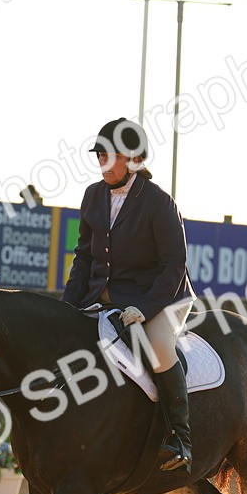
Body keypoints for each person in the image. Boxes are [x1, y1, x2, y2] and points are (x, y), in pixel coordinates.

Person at [61, 117, 197, 472]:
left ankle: (180, 438)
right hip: (107, 298)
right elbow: (84, 258)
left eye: (111, 156)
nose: (103, 163)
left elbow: (174, 266)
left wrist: (146, 308)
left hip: (162, 298)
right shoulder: (93, 196)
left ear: (134, 159)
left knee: (157, 346)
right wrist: (66, 308)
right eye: (100, 156)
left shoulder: (159, 203)